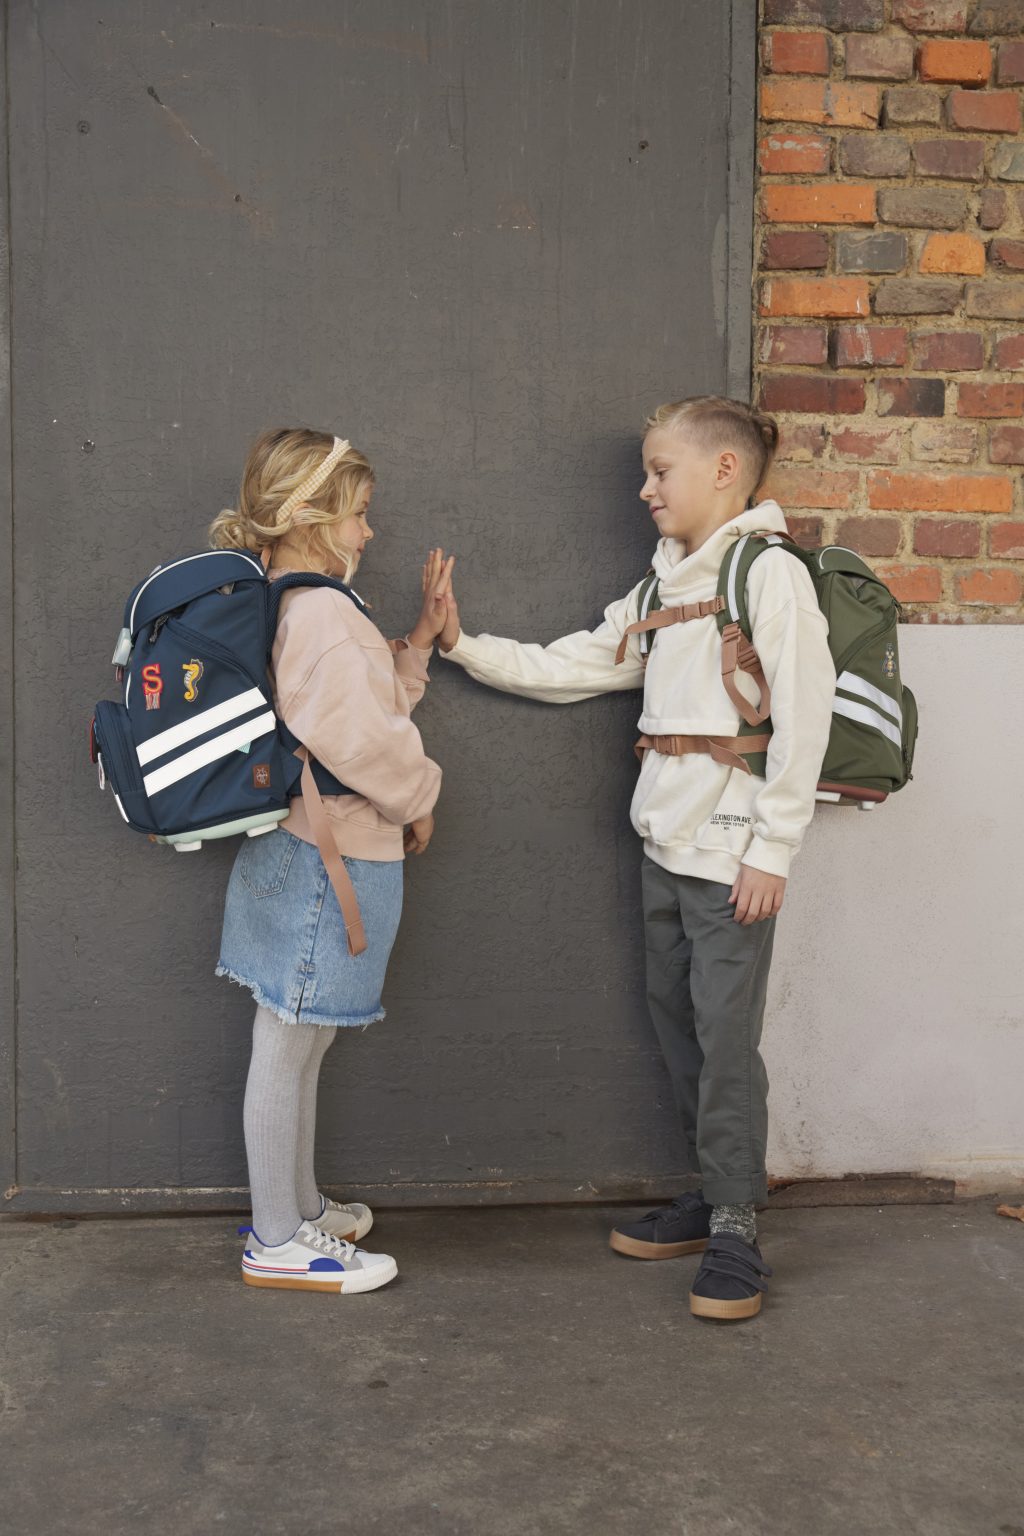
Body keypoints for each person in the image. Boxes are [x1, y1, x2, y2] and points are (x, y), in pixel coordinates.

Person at [437, 397, 835, 1320]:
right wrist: (463, 646)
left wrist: (772, 849)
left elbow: (805, 719)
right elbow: (582, 661)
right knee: (679, 1028)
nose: (644, 486)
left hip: (733, 858)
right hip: (666, 846)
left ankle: (736, 1225)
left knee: (726, 1040)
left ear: (725, 471)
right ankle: (712, 1188)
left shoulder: (768, 575)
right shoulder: (662, 581)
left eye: (662, 470)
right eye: (647, 470)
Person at [210, 428, 453, 1293]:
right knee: (286, 1042)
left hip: (305, 851)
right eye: (358, 515)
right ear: (310, 517)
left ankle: (300, 1208)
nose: (368, 533)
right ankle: (278, 1240)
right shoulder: (321, 612)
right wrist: (421, 797)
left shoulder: (298, 602)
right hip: (326, 861)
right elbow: (360, 739)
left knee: (300, 1040)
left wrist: (417, 642)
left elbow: (368, 709)